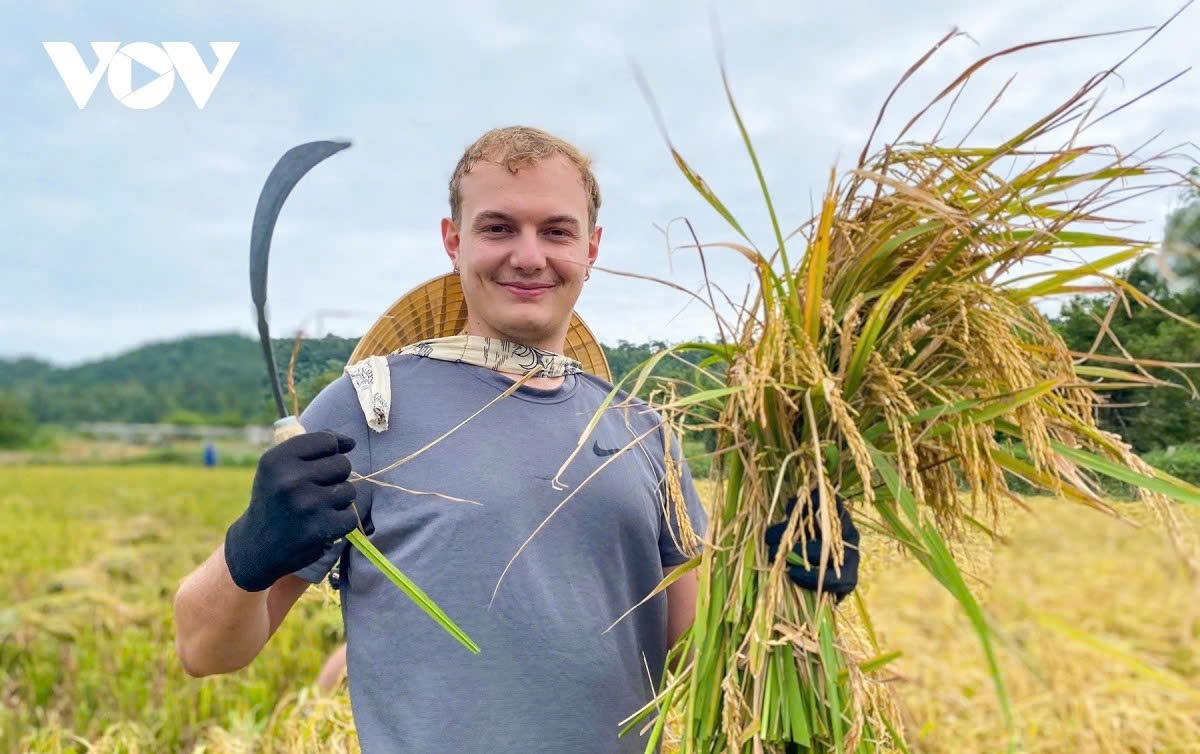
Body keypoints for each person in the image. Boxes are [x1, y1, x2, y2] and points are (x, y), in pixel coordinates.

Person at [172, 125, 859, 753]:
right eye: (498, 227)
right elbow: (205, 650)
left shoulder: (643, 432)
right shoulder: (370, 408)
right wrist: (250, 548)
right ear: (454, 240)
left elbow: (692, 653)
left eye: (556, 232)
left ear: (592, 247)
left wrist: (785, 589)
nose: (528, 257)